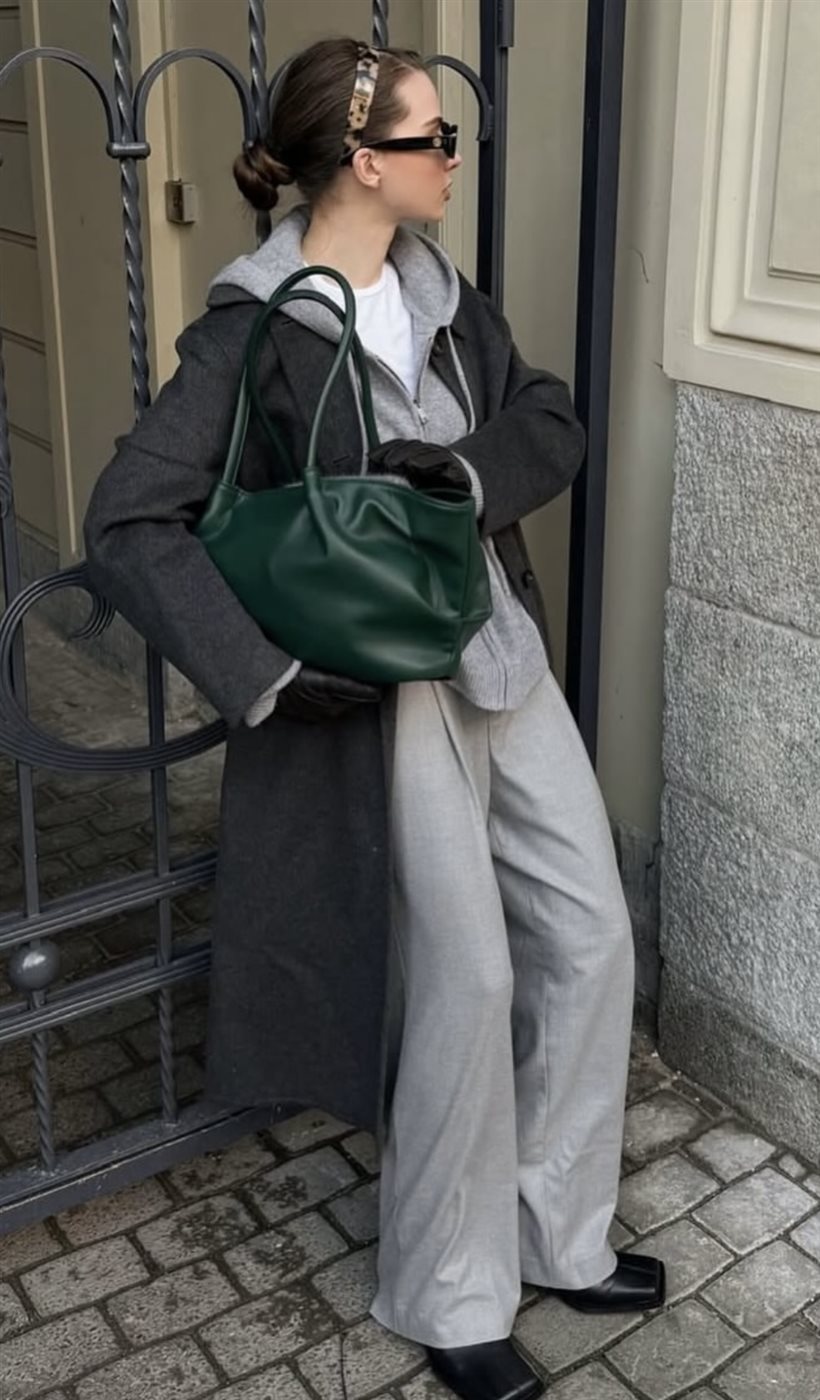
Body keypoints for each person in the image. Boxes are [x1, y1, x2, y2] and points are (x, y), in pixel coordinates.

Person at [82, 36, 663, 1400]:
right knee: (467, 981)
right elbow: (129, 519)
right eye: (432, 138)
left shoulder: (446, 299)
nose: (454, 158)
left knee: (589, 936)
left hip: (502, 658)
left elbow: (548, 417)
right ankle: (451, 1291)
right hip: (386, 699)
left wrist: (463, 472)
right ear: (362, 161)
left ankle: (558, 1233)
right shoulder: (252, 331)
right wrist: (271, 674)